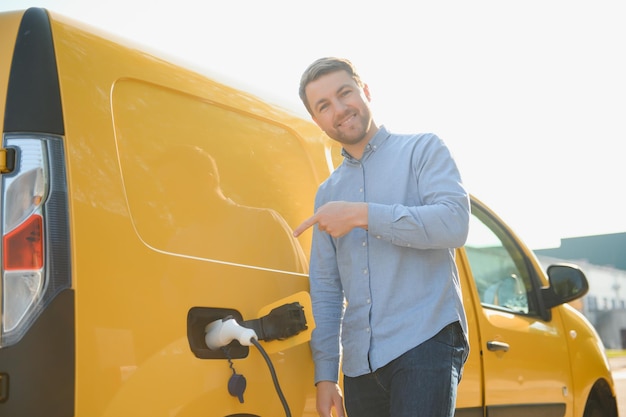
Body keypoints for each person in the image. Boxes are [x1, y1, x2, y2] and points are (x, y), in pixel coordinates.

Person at [293, 57, 470, 417]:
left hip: (425, 339)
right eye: (324, 106)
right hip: (359, 363)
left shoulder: (423, 150)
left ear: (366, 91)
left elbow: (455, 224)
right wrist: (326, 374)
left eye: (345, 93)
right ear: (316, 120)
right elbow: (326, 287)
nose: (339, 110)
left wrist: (362, 214)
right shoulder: (327, 194)